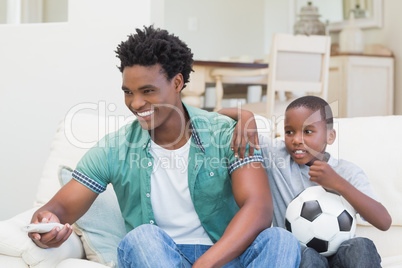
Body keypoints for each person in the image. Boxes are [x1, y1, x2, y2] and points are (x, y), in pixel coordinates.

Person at [28, 25, 301, 267]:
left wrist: (205, 264)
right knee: (141, 239)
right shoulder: (114, 149)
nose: (135, 103)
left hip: (225, 257)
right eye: (128, 92)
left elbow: (259, 208)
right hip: (156, 257)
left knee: (280, 240)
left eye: (148, 91)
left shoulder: (225, 133)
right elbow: (56, 210)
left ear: (177, 82)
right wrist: (46, 228)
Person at [220, 96, 392, 267]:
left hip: (342, 256)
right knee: (306, 255)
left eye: (308, 132)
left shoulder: (348, 172)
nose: (296, 140)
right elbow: (217, 117)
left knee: (361, 246)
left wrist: (338, 183)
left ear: (330, 136)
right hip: (301, 256)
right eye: (289, 132)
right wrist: (246, 116)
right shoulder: (277, 157)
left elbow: (384, 221)